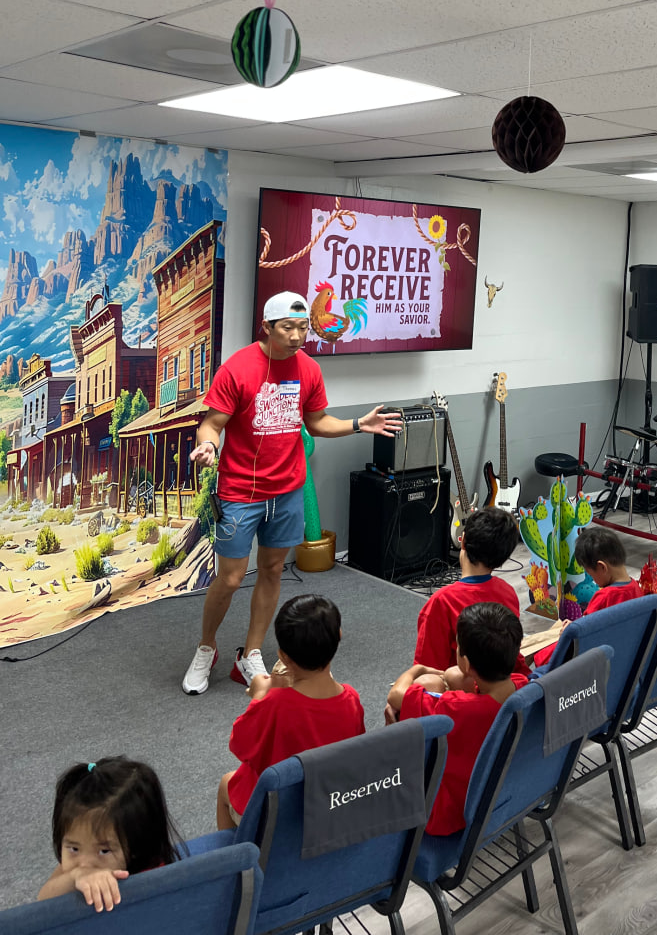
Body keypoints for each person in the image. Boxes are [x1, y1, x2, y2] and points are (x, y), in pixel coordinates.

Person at [182, 291, 402, 695]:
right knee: (230, 578)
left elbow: (317, 422)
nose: (298, 336)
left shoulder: (309, 370)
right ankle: (206, 647)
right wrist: (209, 445)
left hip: (286, 492)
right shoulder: (237, 369)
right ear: (267, 327)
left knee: (271, 570)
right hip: (240, 491)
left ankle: (250, 653)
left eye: (303, 328)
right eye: (288, 328)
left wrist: (358, 424)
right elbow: (212, 423)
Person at [217, 592, 364, 828]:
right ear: (339, 635)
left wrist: (259, 696)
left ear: (283, 657)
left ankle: (239, 850)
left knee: (227, 783)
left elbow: (239, 745)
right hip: (326, 803)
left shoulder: (274, 703)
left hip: (277, 813)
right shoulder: (351, 698)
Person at [387, 603, 523, 835]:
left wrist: (417, 670)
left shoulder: (454, 708)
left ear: (467, 663)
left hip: (450, 812)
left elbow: (396, 696)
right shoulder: (523, 685)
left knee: (405, 703)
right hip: (504, 796)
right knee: (449, 677)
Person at [38, 757, 180, 912]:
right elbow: (42, 902)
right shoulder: (75, 868)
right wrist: (73, 878)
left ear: (136, 847)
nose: (85, 864)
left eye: (104, 851)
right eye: (74, 848)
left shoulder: (155, 878)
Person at [413, 508, 528, 681]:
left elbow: (427, 670)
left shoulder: (442, 602)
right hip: (502, 685)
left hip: (460, 690)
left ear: (463, 540)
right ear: (503, 557)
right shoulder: (508, 592)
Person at [532, 526, 644, 669]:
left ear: (602, 567)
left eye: (590, 574)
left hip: (591, 656)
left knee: (541, 656)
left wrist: (569, 630)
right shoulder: (635, 587)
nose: (593, 580)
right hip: (621, 651)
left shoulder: (604, 596)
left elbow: (585, 633)